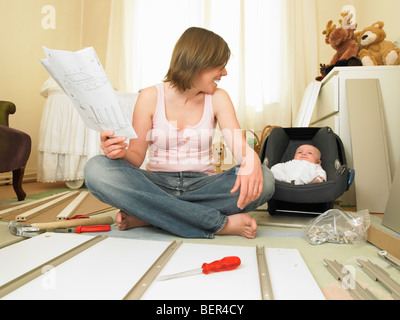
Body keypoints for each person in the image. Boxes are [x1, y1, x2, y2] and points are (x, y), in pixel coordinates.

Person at [84, 27, 275, 239]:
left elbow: (240, 149)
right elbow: (136, 158)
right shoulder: (150, 96)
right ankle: (217, 224)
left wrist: (252, 160)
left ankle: (150, 215)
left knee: (265, 179)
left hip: (203, 186)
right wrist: (118, 153)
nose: (224, 73)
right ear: (199, 62)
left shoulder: (219, 98)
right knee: (96, 169)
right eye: (220, 66)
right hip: (157, 185)